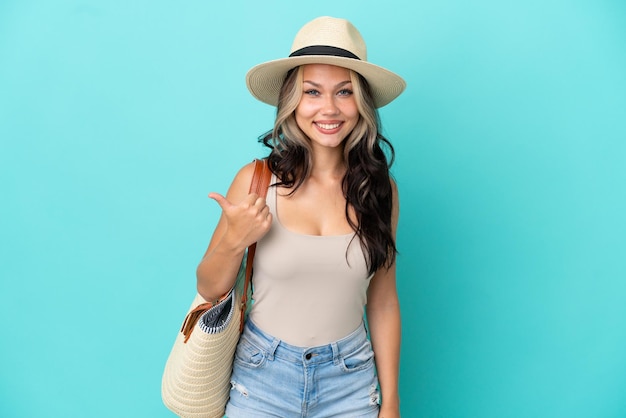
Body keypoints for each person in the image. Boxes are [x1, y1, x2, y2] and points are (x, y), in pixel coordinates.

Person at [196, 16, 406, 418]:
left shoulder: (379, 190)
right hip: (262, 379)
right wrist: (234, 239)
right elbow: (208, 288)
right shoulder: (257, 181)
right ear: (292, 101)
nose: (329, 108)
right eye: (313, 92)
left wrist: (391, 400)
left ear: (361, 102)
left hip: (351, 382)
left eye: (344, 92)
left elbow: (382, 301)